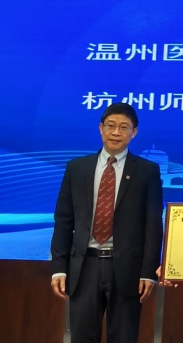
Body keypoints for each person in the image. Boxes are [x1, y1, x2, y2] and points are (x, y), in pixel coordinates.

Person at [50, 102, 163, 343]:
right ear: (101, 128)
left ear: (134, 132)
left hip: (128, 269)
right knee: (82, 336)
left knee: (123, 337)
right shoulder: (77, 168)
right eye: (111, 126)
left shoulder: (147, 171)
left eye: (124, 127)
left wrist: (148, 272)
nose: (116, 132)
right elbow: (63, 220)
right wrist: (59, 267)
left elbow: (153, 225)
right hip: (84, 266)